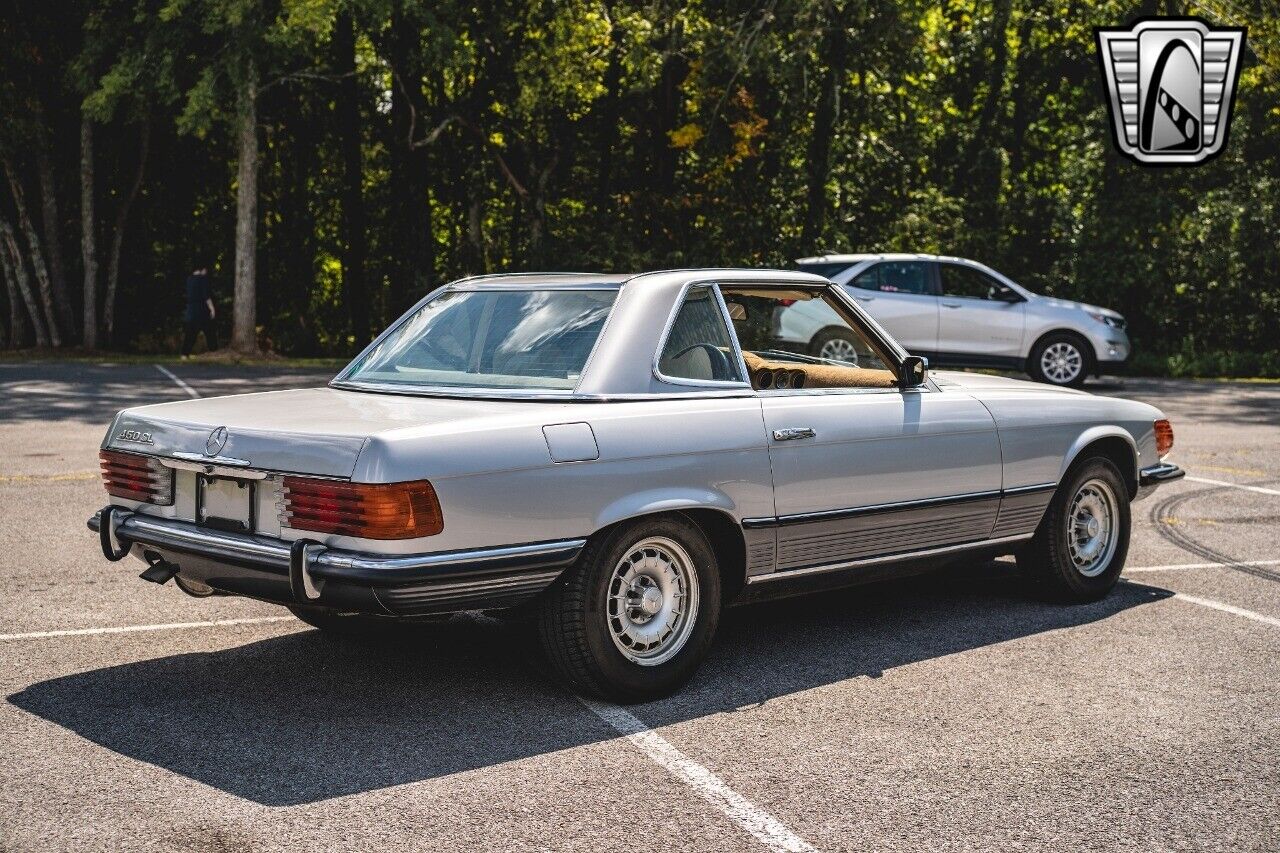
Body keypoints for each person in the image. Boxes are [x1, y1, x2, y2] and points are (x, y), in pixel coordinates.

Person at [181, 264, 217, 357]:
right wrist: (212, 308)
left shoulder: (189, 279)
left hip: (191, 309)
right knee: (209, 332)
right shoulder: (203, 279)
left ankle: (185, 353)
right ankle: (213, 351)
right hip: (201, 309)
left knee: (190, 333)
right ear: (203, 270)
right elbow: (206, 296)